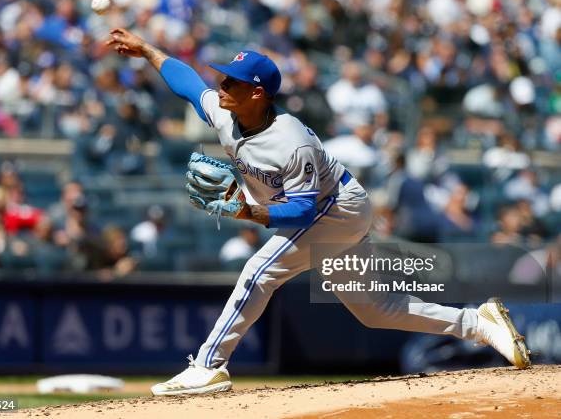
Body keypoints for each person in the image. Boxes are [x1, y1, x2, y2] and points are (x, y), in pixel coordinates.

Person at [106, 28, 530, 396]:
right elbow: (187, 83)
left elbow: (304, 211)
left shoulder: (292, 141)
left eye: (232, 82)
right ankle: (477, 322)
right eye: (223, 77)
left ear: (257, 93)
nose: (221, 86)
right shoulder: (224, 110)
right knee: (374, 310)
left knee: (259, 271)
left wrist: (247, 212)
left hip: (337, 208)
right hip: (331, 208)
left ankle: (208, 365)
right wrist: (147, 50)